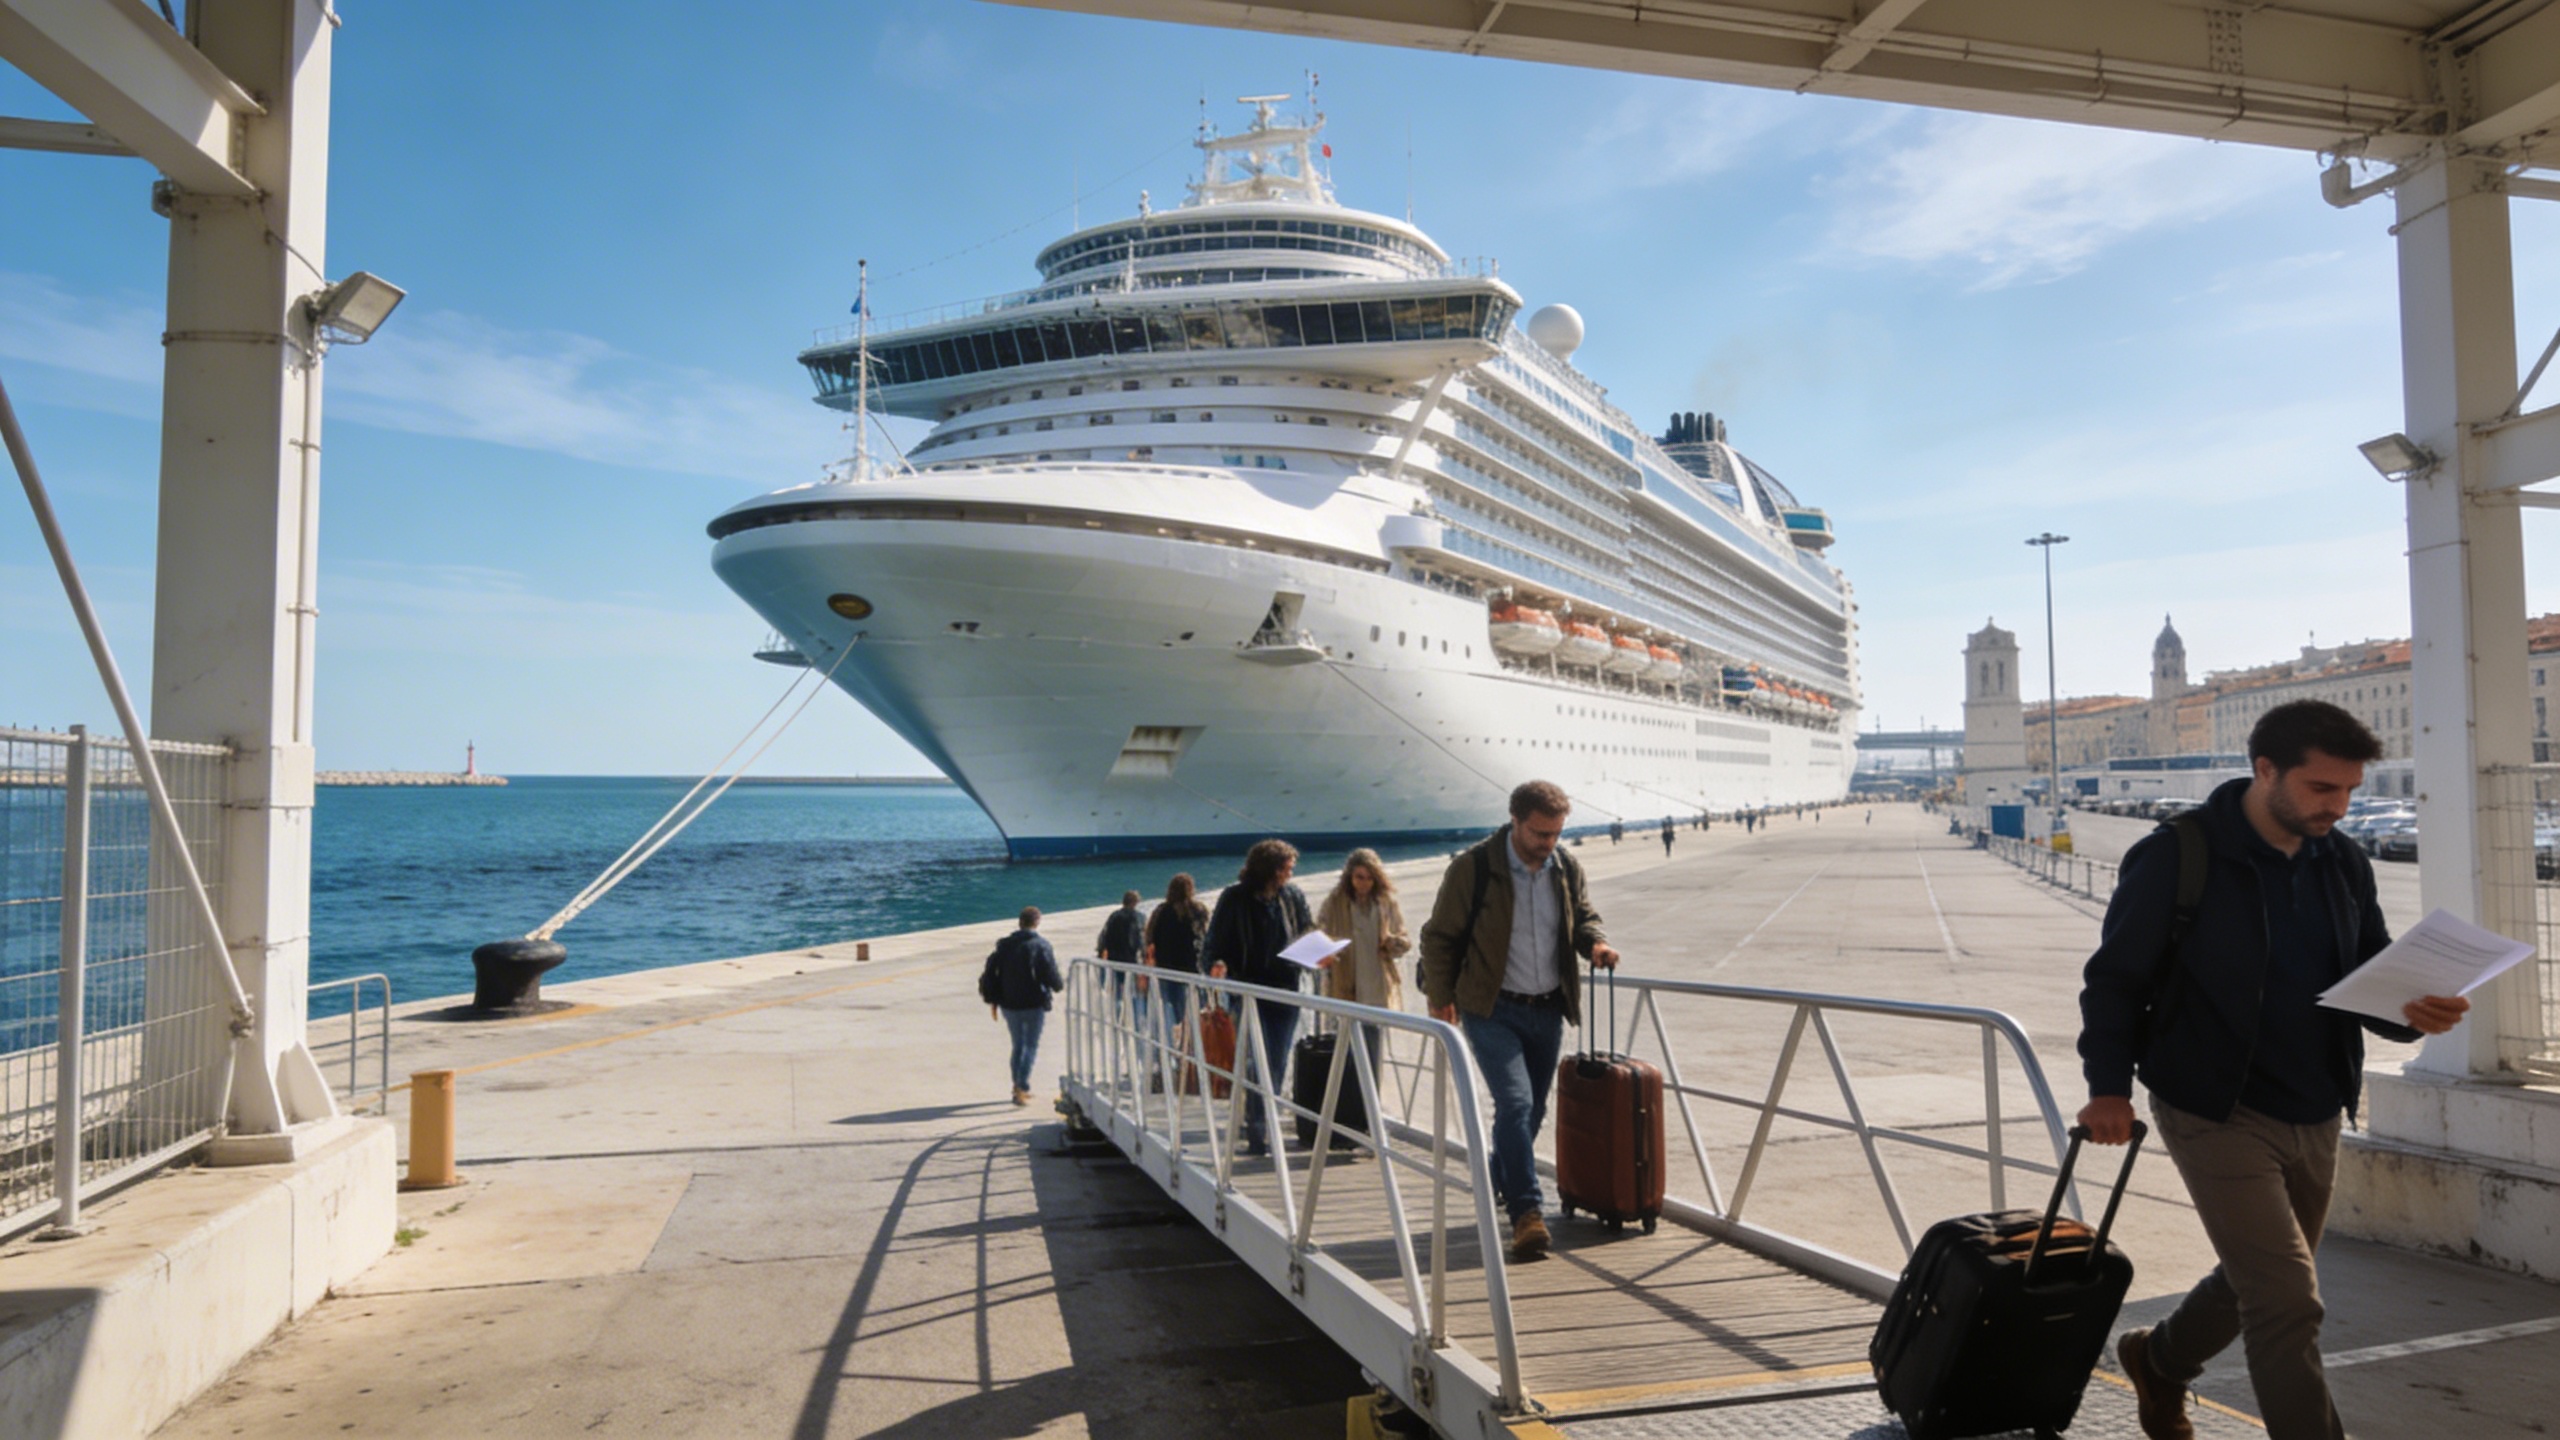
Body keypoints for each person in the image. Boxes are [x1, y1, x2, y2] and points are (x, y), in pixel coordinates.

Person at [2076, 701, 2469, 1440]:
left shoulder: (2344, 859)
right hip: (2212, 1106)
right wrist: (2107, 1088)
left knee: (2258, 1278)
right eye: (2323, 789)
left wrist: (2412, 1012)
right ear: (2265, 770)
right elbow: (2115, 981)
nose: (2340, 806)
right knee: (2288, 1298)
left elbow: (2366, 974)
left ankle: (2158, 1361)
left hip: (2317, 1102)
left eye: (2350, 790)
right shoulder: (2177, 855)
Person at [1420, 780, 1617, 1261]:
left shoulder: (1565, 867)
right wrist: (1440, 997)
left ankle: (1496, 1175)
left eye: (1555, 834)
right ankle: (1527, 1214)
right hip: (1490, 1006)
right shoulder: (1474, 868)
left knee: (1534, 1112)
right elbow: (1439, 936)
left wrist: (1595, 944)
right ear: (1515, 820)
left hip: (1547, 1007)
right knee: (1513, 1102)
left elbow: (1583, 917)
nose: (1548, 843)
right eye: (1539, 833)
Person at [1203, 839, 1322, 1157]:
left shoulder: (1291, 896)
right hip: (1250, 989)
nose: (1290, 874)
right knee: (1258, 1060)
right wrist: (1216, 965)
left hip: (1286, 988)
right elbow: (1215, 940)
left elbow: (1305, 929)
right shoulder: (1235, 898)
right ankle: (1258, 1131)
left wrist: (1320, 950)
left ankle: (1263, 1123)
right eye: (1286, 869)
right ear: (1269, 869)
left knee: (1278, 1060)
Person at [1316, 848, 1412, 1074]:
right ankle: (1348, 1101)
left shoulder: (1385, 902)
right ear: (1349, 876)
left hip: (1377, 980)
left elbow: (1404, 938)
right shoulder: (1335, 902)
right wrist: (1326, 949)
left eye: (1370, 878)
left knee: (1373, 1045)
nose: (1364, 883)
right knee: (1344, 1046)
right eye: (1359, 877)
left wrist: (1393, 943)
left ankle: (1371, 1101)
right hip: (1345, 981)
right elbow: (1319, 931)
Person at [983, 906, 1065, 1107]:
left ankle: (1016, 1086)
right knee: (1030, 1045)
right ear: (1037, 922)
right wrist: (1058, 985)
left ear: (1020, 922)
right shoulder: (1041, 945)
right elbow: (1049, 973)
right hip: (1033, 1002)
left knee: (1018, 1044)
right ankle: (1021, 1087)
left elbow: (992, 972)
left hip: (1008, 1003)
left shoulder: (1004, 945)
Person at [1144, 872, 1210, 1033]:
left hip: (1166, 969)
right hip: (1193, 969)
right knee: (1196, 1010)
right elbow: (1206, 937)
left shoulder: (1161, 911)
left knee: (1170, 1009)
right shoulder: (1198, 910)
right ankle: (1192, 1046)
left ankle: (1173, 1044)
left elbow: (1149, 938)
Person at [1096, 888, 1148, 1026]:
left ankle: (1117, 1019)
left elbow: (1104, 936)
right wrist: (1144, 956)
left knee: (1118, 992)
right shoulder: (1140, 917)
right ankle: (1136, 1021)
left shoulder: (1114, 916)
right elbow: (1142, 939)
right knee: (1134, 993)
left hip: (1115, 958)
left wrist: (1101, 953)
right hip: (1132, 960)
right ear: (1136, 902)